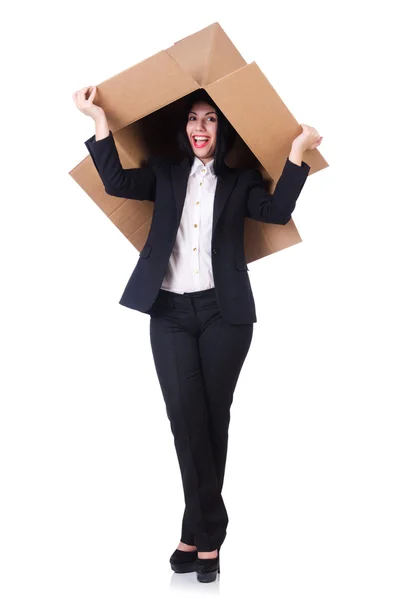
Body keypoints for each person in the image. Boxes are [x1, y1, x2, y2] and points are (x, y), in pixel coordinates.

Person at [72, 85, 322, 583]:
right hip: (167, 311)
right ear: (184, 129)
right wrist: (97, 117)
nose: (200, 127)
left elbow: (275, 213)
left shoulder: (241, 181)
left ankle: (193, 534)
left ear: (221, 130)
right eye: (193, 118)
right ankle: (211, 532)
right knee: (185, 421)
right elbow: (117, 182)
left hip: (223, 314)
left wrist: (297, 154)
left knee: (212, 422)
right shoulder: (164, 175)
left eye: (210, 119)